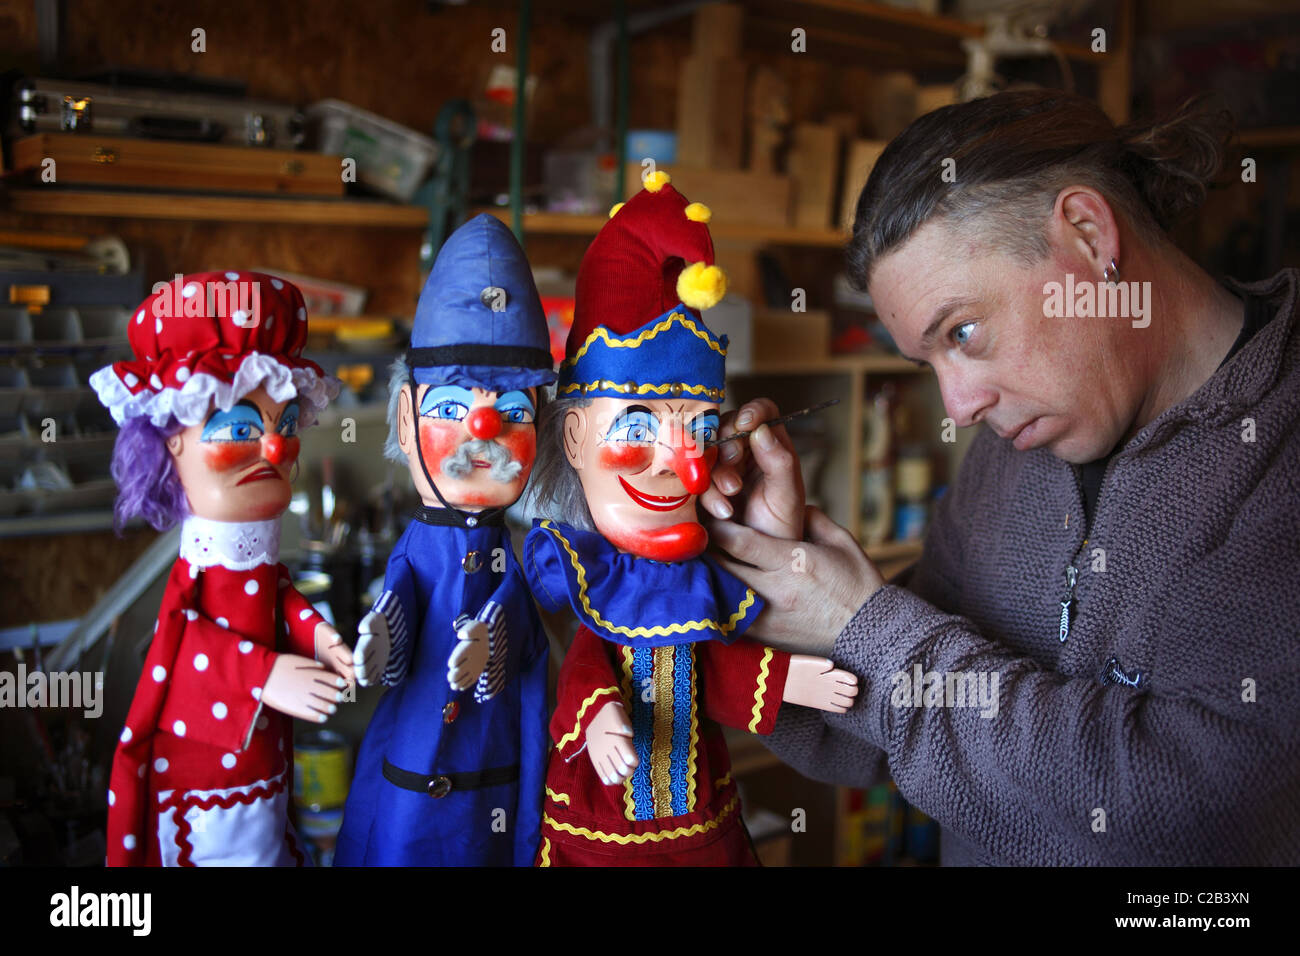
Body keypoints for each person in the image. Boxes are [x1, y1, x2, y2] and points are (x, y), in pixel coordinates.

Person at [700, 89, 1300, 865]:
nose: (960, 403)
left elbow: (1189, 824)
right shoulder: (1016, 450)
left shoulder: (1277, 454)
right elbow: (882, 736)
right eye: (931, 361)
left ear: (1087, 236)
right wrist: (771, 582)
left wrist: (868, 627)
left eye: (966, 331)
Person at [91, 271, 351, 866]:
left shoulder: (259, 563)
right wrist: (263, 675)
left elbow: (279, 594)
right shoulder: (199, 572)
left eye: (285, 425)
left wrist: (322, 637)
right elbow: (183, 646)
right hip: (203, 773)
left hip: (263, 767)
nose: (275, 448)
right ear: (172, 441)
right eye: (238, 428)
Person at [334, 215, 553, 866]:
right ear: (405, 421)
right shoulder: (415, 547)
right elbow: (399, 595)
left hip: (495, 768)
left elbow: (526, 622)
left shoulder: (525, 553)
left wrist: (495, 642)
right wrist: (382, 636)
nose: (481, 428)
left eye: (512, 413)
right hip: (415, 763)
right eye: (451, 409)